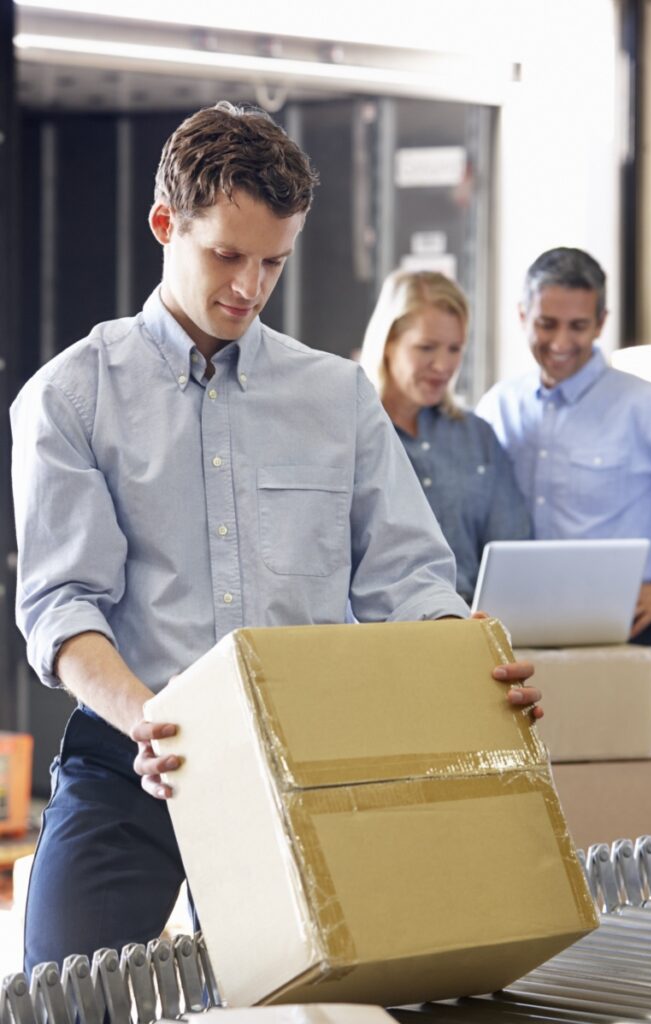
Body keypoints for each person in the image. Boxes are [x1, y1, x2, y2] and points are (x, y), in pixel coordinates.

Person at [10, 101, 540, 975]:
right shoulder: (70, 396)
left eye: (273, 262)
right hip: (133, 753)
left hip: (313, 759)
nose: (248, 288)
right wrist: (152, 721)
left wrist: (467, 674)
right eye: (226, 254)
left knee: (344, 991)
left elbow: (406, 577)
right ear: (164, 225)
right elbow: (63, 607)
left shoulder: (335, 397)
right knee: (66, 992)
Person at [477, 246, 651, 755]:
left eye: (578, 325)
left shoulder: (650, 407)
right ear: (523, 315)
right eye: (546, 324)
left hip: (632, 638)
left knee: (647, 807)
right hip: (522, 641)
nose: (561, 342)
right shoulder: (498, 407)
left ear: (602, 322)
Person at [359, 269, 531, 604]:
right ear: (388, 344)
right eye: (426, 348)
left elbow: (514, 552)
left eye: (455, 349)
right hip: (383, 634)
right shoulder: (353, 435)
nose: (443, 365)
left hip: (473, 626)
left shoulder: (477, 437)